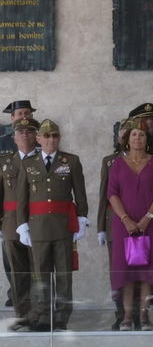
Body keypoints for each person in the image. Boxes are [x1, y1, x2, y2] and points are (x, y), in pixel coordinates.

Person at [15, 120, 89, 332]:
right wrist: (22, 226)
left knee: (64, 275)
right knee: (40, 274)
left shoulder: (71, 161)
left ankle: (61, 318)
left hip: (64, 227)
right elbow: (22, 198)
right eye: (46, 136)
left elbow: (80, 194)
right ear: (38, 139)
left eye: (54, 135)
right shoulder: (28, 163)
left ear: (59, 138)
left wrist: (82, 219)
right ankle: (43, 317)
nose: (50, 140)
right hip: (37, 228)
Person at [106, 121, 153, 331]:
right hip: (123, 226)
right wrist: (126, 219)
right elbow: (111, 194)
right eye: (133, 135)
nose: (137, 139)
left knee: (147, 272)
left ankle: (144, 317)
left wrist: (147, 218)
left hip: (150, 225)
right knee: (126, 272)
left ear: (147, 139)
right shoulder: (117, 163)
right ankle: (126, 317)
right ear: (126, 140)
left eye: (141, 135)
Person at [0, 117, 40, 328]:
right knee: (18, 272)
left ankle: (41, 315)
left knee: (40, 271)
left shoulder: (45, 159)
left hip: (39, 223)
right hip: (11, 224)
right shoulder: (5, 162)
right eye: (20, 131)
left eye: (29, 131)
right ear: (13, 137)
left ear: (36, 135)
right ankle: (22, 314)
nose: (25, 134)